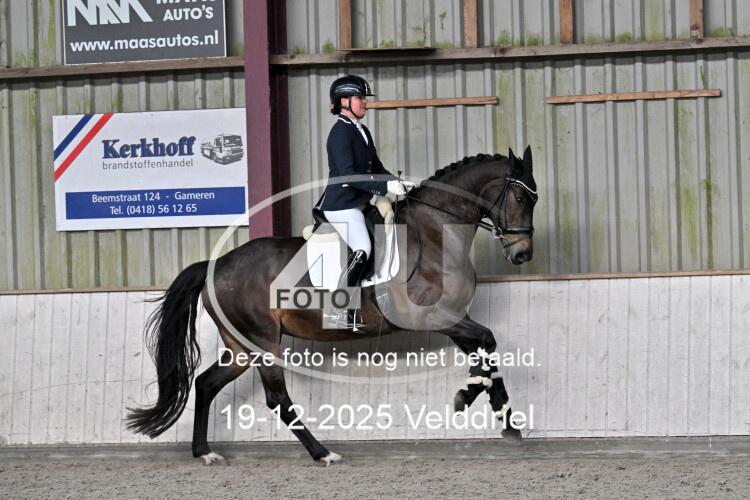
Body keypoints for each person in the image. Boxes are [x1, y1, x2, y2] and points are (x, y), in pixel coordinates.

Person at [314, 74, 415, 329]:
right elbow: (349, 175)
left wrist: (396, 182)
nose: (365, 102)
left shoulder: (361, 130)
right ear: (344, 101)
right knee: (363, 247)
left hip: (360, 201)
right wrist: (383, 187)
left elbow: (376, 167)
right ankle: (339, 308)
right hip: (342, 205)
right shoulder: (340, 133)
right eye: (360, 98)